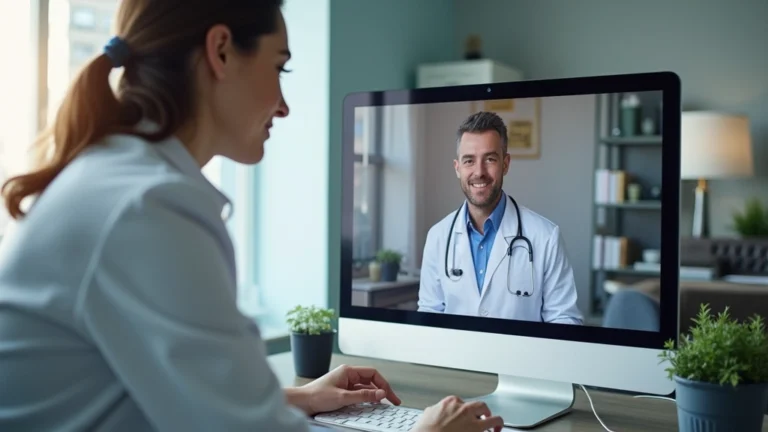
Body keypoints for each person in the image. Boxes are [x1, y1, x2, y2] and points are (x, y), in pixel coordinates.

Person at [0, 2, 504, 432]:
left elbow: (165, 396)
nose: (284, 107)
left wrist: (296, 398)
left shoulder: (118, 179)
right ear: (220, 51)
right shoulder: (147, 209)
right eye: (279, 68)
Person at [417, 111, 583, 325]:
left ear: (505, 164)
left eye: (490, 159)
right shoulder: (438, 236)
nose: (479, 172)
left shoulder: (546, 236)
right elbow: (428, 316)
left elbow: (565, 320)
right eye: (469, 160)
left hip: (522, 358)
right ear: (457, 168)